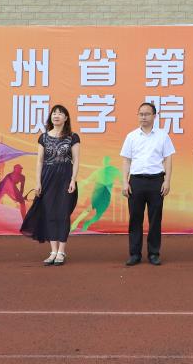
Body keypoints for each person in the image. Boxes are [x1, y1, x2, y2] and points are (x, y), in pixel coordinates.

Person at [20, 105, 80, 266]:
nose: (56, 116)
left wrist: (73, 179)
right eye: (54, 113)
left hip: (66, 178)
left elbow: (76, 160)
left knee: (63, 214)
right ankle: (53, 251)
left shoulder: (73, 137)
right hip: (48, 178)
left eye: (60, 113)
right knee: (50, 214)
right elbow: (40, 161)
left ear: (66, 118)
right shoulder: (44, 137)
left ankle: (61, 251)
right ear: (50, 117)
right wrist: (38, 182)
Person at [121, 102, 176, 266]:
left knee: (155, 219)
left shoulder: (162, 136)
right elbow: (126, 160)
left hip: (156, 181)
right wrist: (125, 182)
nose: (143, 117)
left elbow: (168, 159)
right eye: (141, 114)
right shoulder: (131, 136)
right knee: (135, 219)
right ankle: (134, 254)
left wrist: (167, 180)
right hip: (136, 181)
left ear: (154, 116)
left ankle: (153, 253)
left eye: (147, 114)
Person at [71, 155, 119, 232]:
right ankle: (75, 223)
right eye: (104, 160)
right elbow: (87, 180)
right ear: (103, 162)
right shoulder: (98, 172)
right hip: (98, 193)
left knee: (98, 216)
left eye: (107, 160)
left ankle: (87, 223)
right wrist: (81, 184)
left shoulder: (114, 170)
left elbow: (122, 179)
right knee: (89, 209)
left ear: (109, 162)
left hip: (106, 195)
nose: (105, 162)